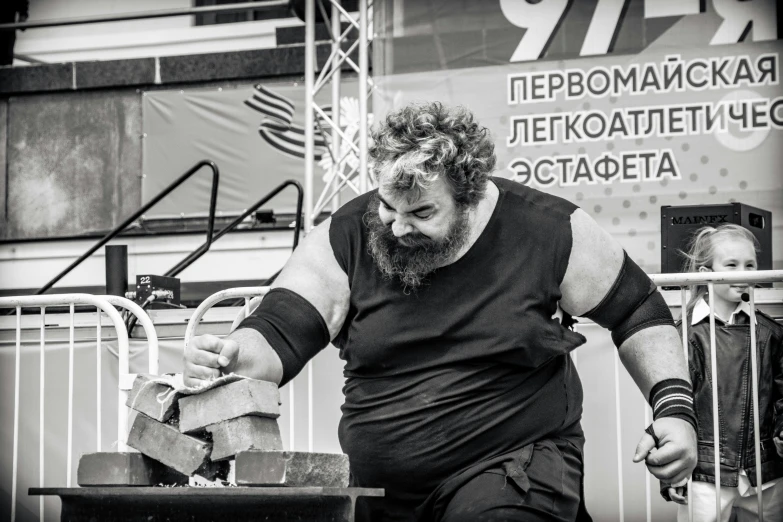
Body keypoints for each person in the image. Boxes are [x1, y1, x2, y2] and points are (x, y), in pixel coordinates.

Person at [184, 102, 698, 521]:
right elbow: (278, 331)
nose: (399, 226)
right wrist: (232, 356)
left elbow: (639, 311)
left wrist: (675, 411)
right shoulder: (347, 234)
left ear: (470, 195)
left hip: (513, 471)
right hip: (384, 493)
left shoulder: (550, 230)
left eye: (422, 212)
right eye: (389, 206)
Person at [666, 224, 783, 522]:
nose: (742, 273)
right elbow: (674, 410)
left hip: (766, 473)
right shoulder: (684, 336)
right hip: (705, 475)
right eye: (731, 265)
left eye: (750, 265)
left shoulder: (771, 333)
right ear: (706, 272)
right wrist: (674, 469)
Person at [0, 0, 29, 66]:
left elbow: (23, 5)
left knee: (7, 59)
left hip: (8, 31)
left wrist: (23, 16)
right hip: (8, 30)